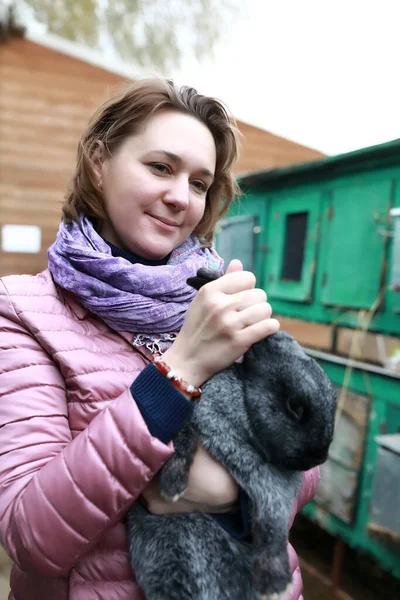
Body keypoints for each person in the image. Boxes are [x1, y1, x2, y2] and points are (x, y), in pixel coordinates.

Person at [0, 77, 319, 600]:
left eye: (199, 183)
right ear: (100, 162)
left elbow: (311, 454)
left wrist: (228, 488)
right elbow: (32, 536)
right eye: (161, 167)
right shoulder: (25, 311)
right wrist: (183, 368)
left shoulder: (218, 292)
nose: (179, 198)